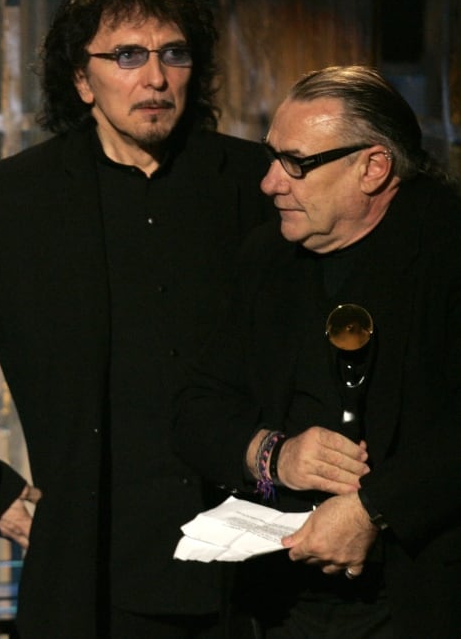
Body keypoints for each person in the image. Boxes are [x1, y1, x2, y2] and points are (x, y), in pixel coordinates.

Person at [0, 0, 274, 638]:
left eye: (175, 53)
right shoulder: (15, 203)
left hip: (252, 577)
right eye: (129, 56)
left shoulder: (253, 184)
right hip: (89, 582)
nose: (158, 78)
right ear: (82, 78)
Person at [172, 65, 461, 637]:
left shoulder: (448, 248)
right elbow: (194, 407)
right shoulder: (265, 257)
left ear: (373, 167)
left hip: (422, 600)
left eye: (297, 164)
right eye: (271, 157)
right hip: (282, 603)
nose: (270, 183)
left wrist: (373, 509)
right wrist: (273, 456)